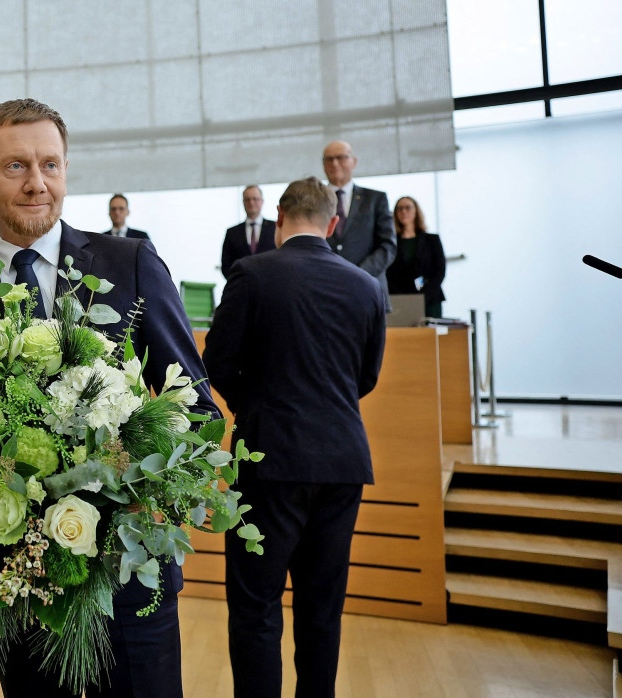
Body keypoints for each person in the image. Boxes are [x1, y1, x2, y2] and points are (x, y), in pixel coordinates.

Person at [0, 98, 218, 698]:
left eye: (50, 165)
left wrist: (141, 483)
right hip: (19, 597)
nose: (37, 184)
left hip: (130, 585)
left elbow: (199, 410)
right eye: (16, 167)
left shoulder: (130, 264)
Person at [202, 176, 386, 698]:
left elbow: (217, 362)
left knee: (257, 607)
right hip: (342, 462)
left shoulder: (252, 273)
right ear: (334, 224)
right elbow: (365, 378)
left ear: (279, 218)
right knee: (322, 609)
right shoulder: (367, 286)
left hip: (269, 461)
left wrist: (255, 406)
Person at [322, 140, 396, 303]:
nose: (334, 163)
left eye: (341, 157)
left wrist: (358, 274)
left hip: (368, 290)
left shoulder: (376, 199)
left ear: (354, 162)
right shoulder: (315, 201)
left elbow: (388, 246)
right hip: (326, 292)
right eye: (329, 159)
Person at [385, 196, 447, 318]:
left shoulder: (431, 240)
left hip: (430, 299)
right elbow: (387, 271)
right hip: (400, 300)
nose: (403, 211)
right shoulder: (390, 242)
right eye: (399, 208)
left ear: (416, 211)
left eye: (408, 208)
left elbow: (440, 271)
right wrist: (405, 296)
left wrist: (422, 295)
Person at [221, 185, 276, 277]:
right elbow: (226, 265)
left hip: (270, 285)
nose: (251, 202)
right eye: (247, 199)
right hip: (241, 286)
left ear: (262, 201)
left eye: (255, 199)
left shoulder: (275, 228)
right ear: (243, 202)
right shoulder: (232, 233)